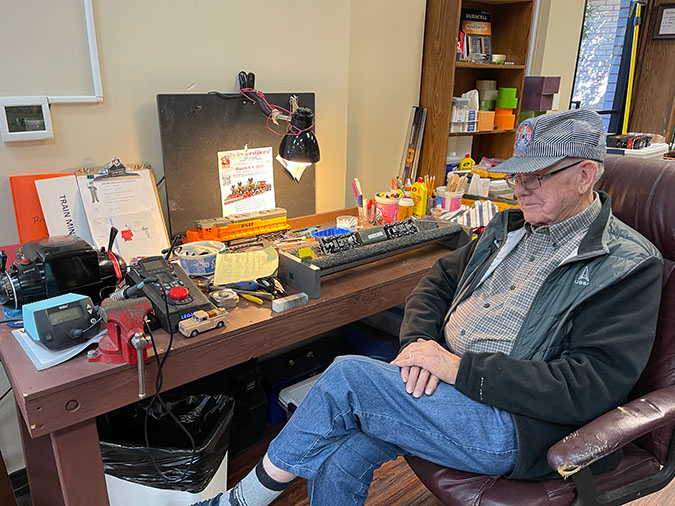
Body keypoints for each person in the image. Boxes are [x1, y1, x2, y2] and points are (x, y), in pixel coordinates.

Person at [191, 109, 663, 506]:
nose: (520, 188)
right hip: (448, 381)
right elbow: (436, 282)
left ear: (585, 174)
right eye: (516, 175)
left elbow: (589, 386)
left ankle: (241, 500)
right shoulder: (508, 228)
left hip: (520, 422)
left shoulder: (626, 265)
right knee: (341, 454)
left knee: (347, 377)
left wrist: (460, 369)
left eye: (537, 177)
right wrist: (421, 344)